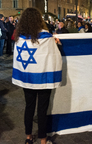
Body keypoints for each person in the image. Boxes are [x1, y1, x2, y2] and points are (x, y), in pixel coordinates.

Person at [12, 8, 62, 144]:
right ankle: (43, 140)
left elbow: (19, 57)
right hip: (43, 78)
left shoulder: (19, 38)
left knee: (29, 107)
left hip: (27, 78)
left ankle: (28, 137)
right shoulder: (46, 37)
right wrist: (57, 44)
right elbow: (54, 55)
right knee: (42, 109)